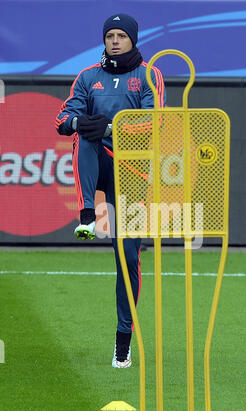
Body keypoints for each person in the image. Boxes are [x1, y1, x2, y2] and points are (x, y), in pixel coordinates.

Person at [55, 13, 166, 368]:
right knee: (83, 139)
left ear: (133, 39)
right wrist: (79, 122)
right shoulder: (88, 77)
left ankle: (123, 341)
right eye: (109, 36)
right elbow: (63, 119)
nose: (115, 41)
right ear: (104, 41)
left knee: (128, 258)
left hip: (133, 172)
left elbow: (155, 122)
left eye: (121, 35)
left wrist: (108, 126)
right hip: (99, 161)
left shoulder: (149, 75)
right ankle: (87, 214)